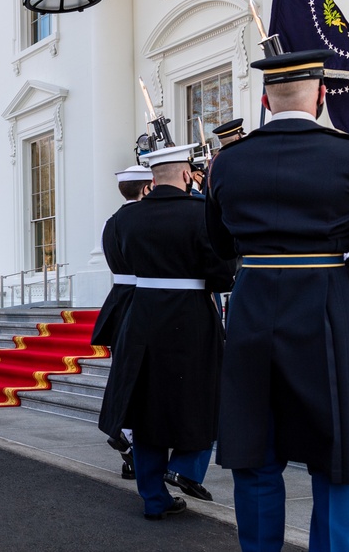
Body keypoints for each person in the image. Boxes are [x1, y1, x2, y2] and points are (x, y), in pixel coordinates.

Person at [206, 50, 349, 552]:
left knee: (255, 447)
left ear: (264, 100)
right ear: (321, 98)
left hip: (253, 301)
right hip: (325, 304)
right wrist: (347, 280)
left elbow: (217, 248)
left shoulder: (227, 163)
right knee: (334, 448)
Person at [98, 143, 236, 521]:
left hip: (141, 316)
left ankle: (153, 498)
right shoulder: (202, 213)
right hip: (191, 317)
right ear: (185, 174)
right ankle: (187, 468)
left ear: (153, 178)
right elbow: (224, 273)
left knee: (147, 410)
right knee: (204, 397)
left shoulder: (124, 219)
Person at [90, 164, 154, 480]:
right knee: (140, 379)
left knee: (124, 371)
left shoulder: (110, 223)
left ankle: (129, 448)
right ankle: (129, 436)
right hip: (142, 298)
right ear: (147, 188)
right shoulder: (146, 220)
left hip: (118, 299)